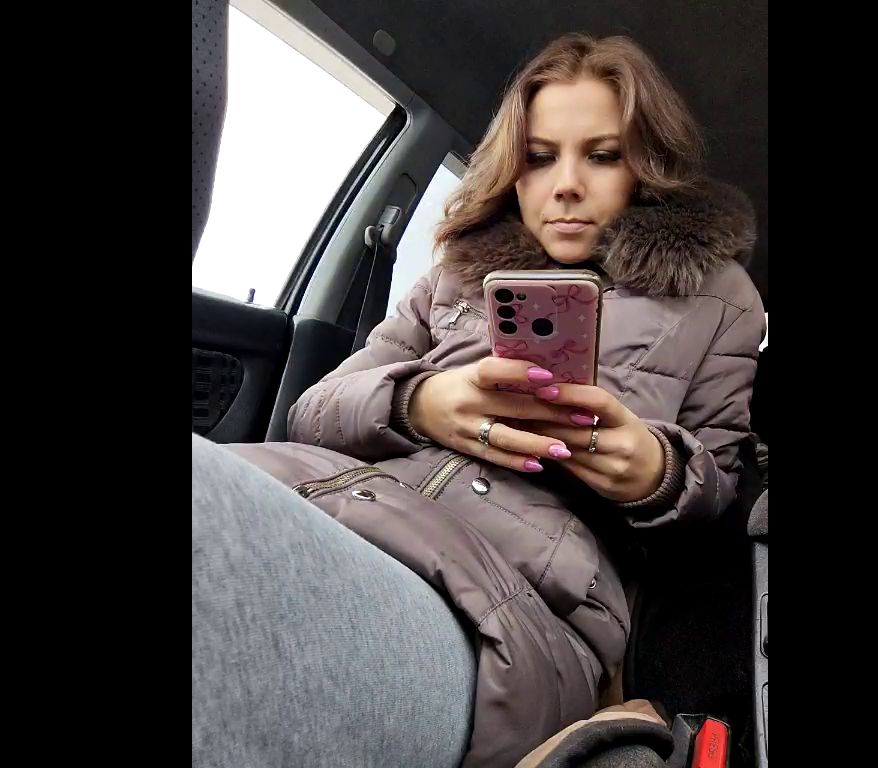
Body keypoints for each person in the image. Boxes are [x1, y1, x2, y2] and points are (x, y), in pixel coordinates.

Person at [193, 32, 765, 768]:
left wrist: (658, 473)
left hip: (513, 602)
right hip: (333, 503)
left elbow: (719, 495)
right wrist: (417, 402)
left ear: (644, 168)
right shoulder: (455, 273)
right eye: (539, 156)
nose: (566, 184)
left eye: (601, 155)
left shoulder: (719, 297)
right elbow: (314, 410)